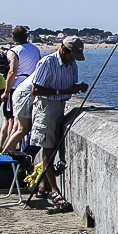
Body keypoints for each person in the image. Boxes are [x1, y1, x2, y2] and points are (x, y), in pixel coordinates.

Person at [30, 36, 87, 209]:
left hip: (61, 105)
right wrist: (61, 91)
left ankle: (43, 186)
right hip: (47, 107)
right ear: (64, 50)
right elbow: (36, 89)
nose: (73, 59)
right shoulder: (47, 62)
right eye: (72, 55)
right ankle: (54, 190)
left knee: (54, 148)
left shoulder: (72, 65)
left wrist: (77, 87)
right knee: (48, 148)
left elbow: (69, 85)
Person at [0, 26, 41, 152]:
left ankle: (6, 150)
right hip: (32, 85)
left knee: (16, 122)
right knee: (21, 123)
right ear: (26, 36)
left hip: (17, 87)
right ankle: (10, 149)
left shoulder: (14, 51)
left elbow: (12, 71)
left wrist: (6, 91)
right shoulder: (35, 49)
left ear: (13, 38)